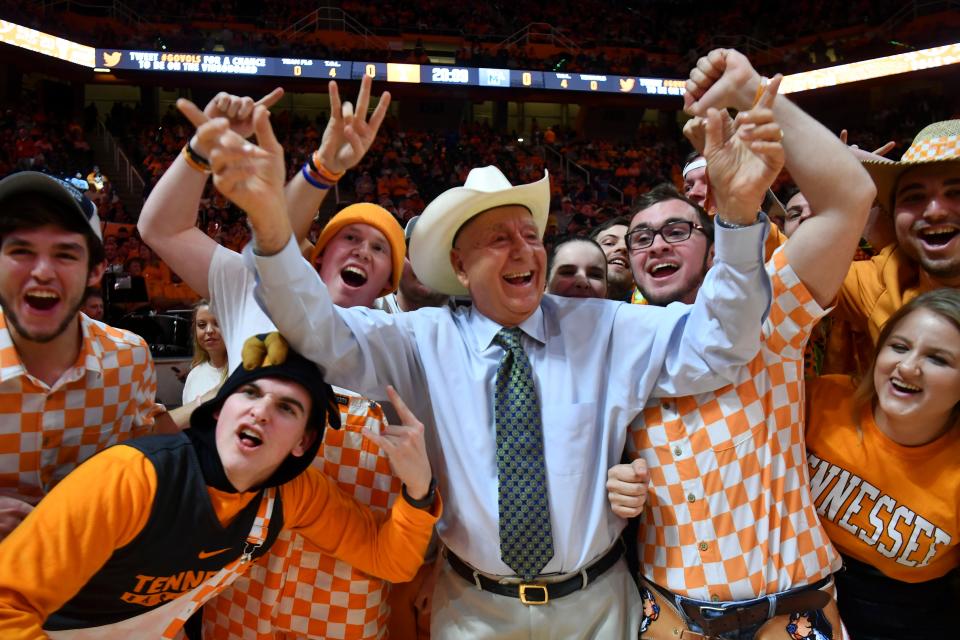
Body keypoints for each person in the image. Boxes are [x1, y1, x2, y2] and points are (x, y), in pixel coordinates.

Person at [212, 74, 778, 638]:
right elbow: (316, 329)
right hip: (473, 611)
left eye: (529, 233)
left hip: (598, 604)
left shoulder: (605, 326)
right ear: (460, 267)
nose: (523, 248)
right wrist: (271, 223)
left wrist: (739, 217)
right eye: (498, 238)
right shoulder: (417, 339)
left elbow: (721, 344)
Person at [606, 49, 877, 638]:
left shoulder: (766, 310)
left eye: (677, 231)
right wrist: (616, 479)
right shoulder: (612, 350)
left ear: (711, 246)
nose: (657, 246)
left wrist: (753, 88)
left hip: (789, 609)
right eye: (642, 237)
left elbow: (849, 198)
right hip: (669, 613)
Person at [138, 79, 417, 640]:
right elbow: (160, 228)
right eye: (348, 238)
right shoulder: (248, 288)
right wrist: (202, 152)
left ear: (390, 278)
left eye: (379, 246)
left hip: (347, 598)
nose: (362, 250)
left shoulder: (401, 342)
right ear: (316, 251)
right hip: (236, 587)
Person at [0, 333, 440, 638]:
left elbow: (389, 560)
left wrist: (418, 488)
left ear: (304, 442)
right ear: (217, 411)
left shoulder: (290, 493)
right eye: (249, 394)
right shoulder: (133, 476)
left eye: (286, 407)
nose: (261, 412)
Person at [0, 171, 172, 542]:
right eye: (20, 251)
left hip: (89, 585)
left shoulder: (130, 359)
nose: (42, 272)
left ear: (95, 271)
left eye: (65, 254)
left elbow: (145, 460)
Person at [805, 289, 960, 640]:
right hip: (797, 598)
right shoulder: (823, 400)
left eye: (938, 358)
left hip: (904, 619)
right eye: (899, 347)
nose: (907, 367)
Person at [837, 118, 960, 348]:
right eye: (914, 196)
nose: (934, 212)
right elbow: (781, 267)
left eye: (956, 192)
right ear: (892, 215)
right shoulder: (885, 280)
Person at [377, 215, 452, 313]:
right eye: (415, 252)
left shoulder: (472, 322)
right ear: (396, 260)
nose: (426, 264)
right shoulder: (366, 312)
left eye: (440, 255)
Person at [182, 300, 227, 405]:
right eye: (202, 325)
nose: (209, 330)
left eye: (217, 323)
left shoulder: (242, 371)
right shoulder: (194, 375)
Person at [588, 216, 633, 301]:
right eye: (609, 243)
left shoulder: (653, 310)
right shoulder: (557, 303)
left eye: (630, 246)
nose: (623, 247)